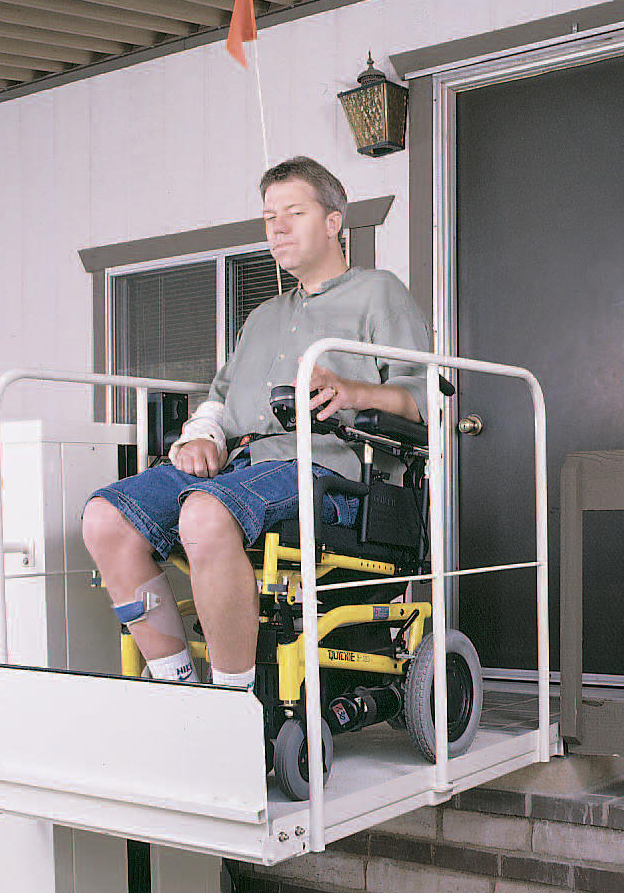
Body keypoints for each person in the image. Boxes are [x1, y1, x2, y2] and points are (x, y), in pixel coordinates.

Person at [81, 156, 431, 689]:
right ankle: (177, 685)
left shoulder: (379, 292)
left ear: (334, 222)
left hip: (328, 470)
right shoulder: (262, 316)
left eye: (294, 212)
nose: (278, 228)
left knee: (203, 515)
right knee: (106, 518)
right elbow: (219, 400)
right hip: (241, 468)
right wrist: (202, 437)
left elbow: (426, 399)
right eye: (269, 217)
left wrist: (353, 390)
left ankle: (231, 700)